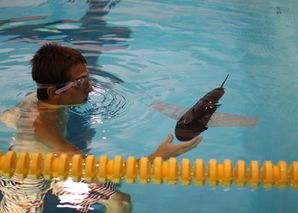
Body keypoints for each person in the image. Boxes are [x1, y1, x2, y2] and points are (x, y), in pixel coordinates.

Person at [0, 43, 202, 213]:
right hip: (24, 182)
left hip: (52, 166)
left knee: (120, 202)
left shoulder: (35, 99)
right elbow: (101, 173)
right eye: (81, 82)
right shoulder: (44, 126)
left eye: (87, 79)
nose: (90, 87)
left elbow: (7, 116)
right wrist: (159, 156)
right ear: (54, 92)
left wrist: (26, 140)